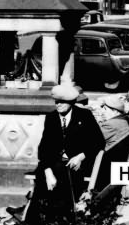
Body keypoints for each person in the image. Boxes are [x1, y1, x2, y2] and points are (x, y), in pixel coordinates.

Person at [26, 82, 106, 224]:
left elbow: (99, 142)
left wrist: (81, 156)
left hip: (77, 164)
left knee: (62, 178)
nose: (58, 105)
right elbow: (43, 148)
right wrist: (47, 171)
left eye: (62, 102)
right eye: (56, 102)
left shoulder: (84, 115)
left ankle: (56, 218)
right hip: (54, 163)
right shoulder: (51, 118)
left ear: (71, 102)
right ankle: (33, 220)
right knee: (43, 176)